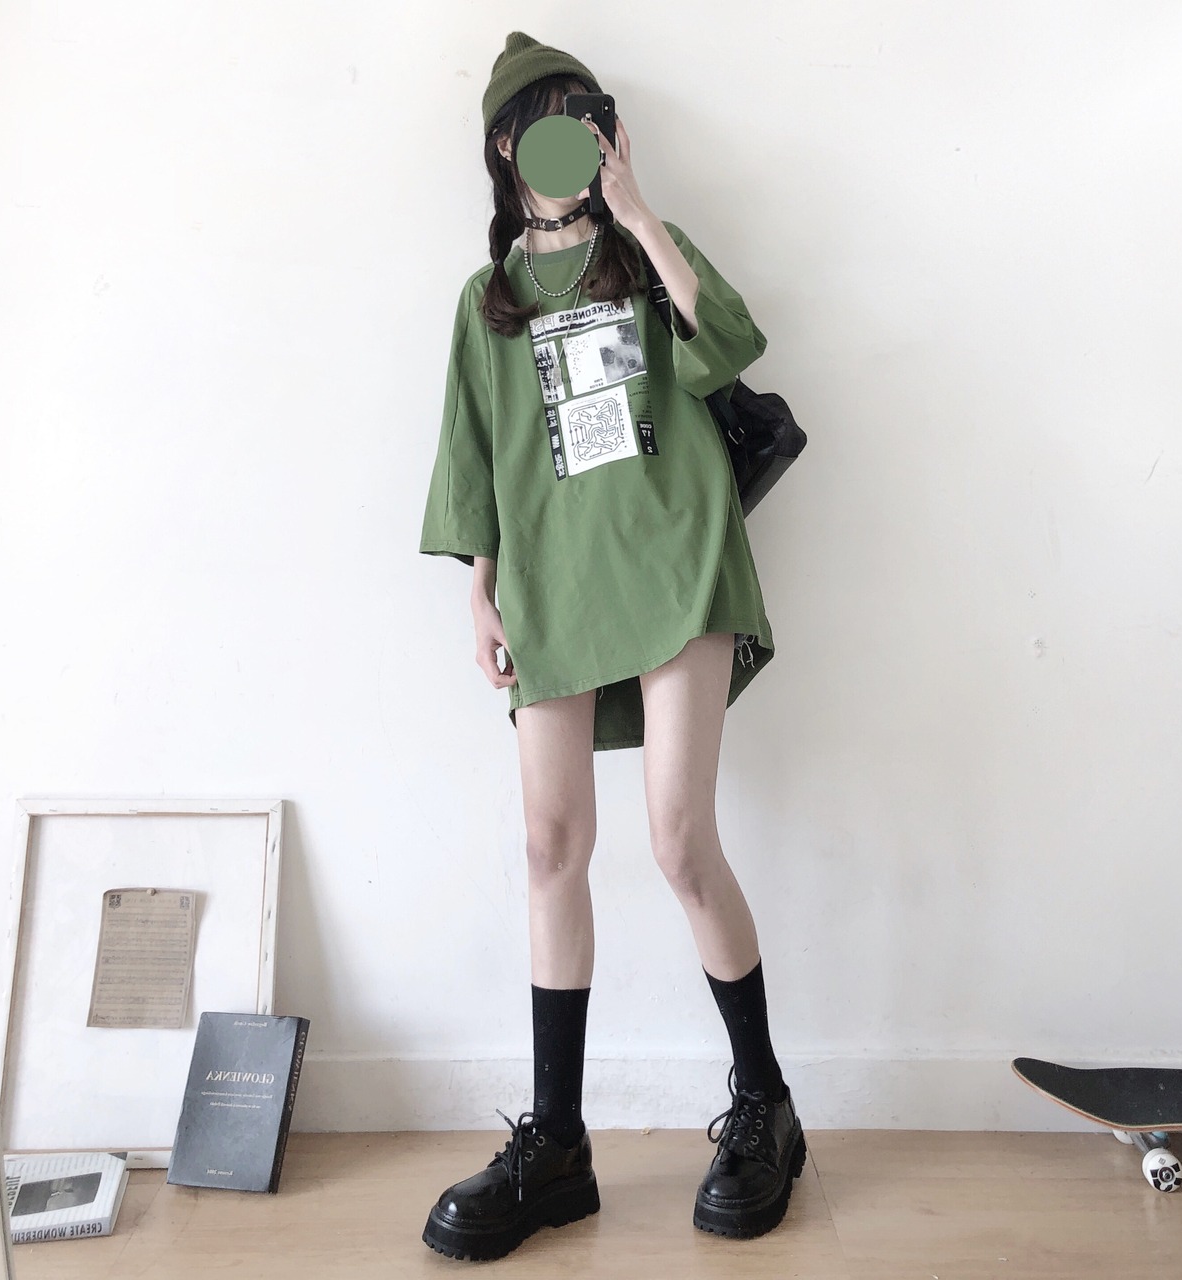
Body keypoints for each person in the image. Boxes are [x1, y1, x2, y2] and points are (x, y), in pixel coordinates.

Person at [418, 31, 803, 1262]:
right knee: (548, 845)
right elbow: (474, 458)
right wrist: (481, 591)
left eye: (582, 123)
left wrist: (636, 211)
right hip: (551, 584)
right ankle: (558, 1145)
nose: (564, 146)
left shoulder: (645, 254)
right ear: (504, 147)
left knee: (679, 841)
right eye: (542, 126)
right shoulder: (483, 304)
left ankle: (765, 1104)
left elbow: (728, 342)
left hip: (677, 563)